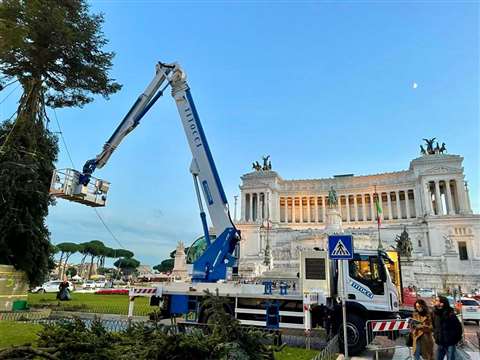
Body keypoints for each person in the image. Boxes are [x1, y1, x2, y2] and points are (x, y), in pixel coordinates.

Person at [432, 296, 462, 360]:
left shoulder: (450, 314)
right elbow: (434, 326)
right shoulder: (434, 313)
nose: (435, 301)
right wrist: (436, 336)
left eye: (437, 300)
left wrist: (455, 340)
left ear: (442, 303)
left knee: (450, 358)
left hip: (450, 343)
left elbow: (458, 327)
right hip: (439, 342)